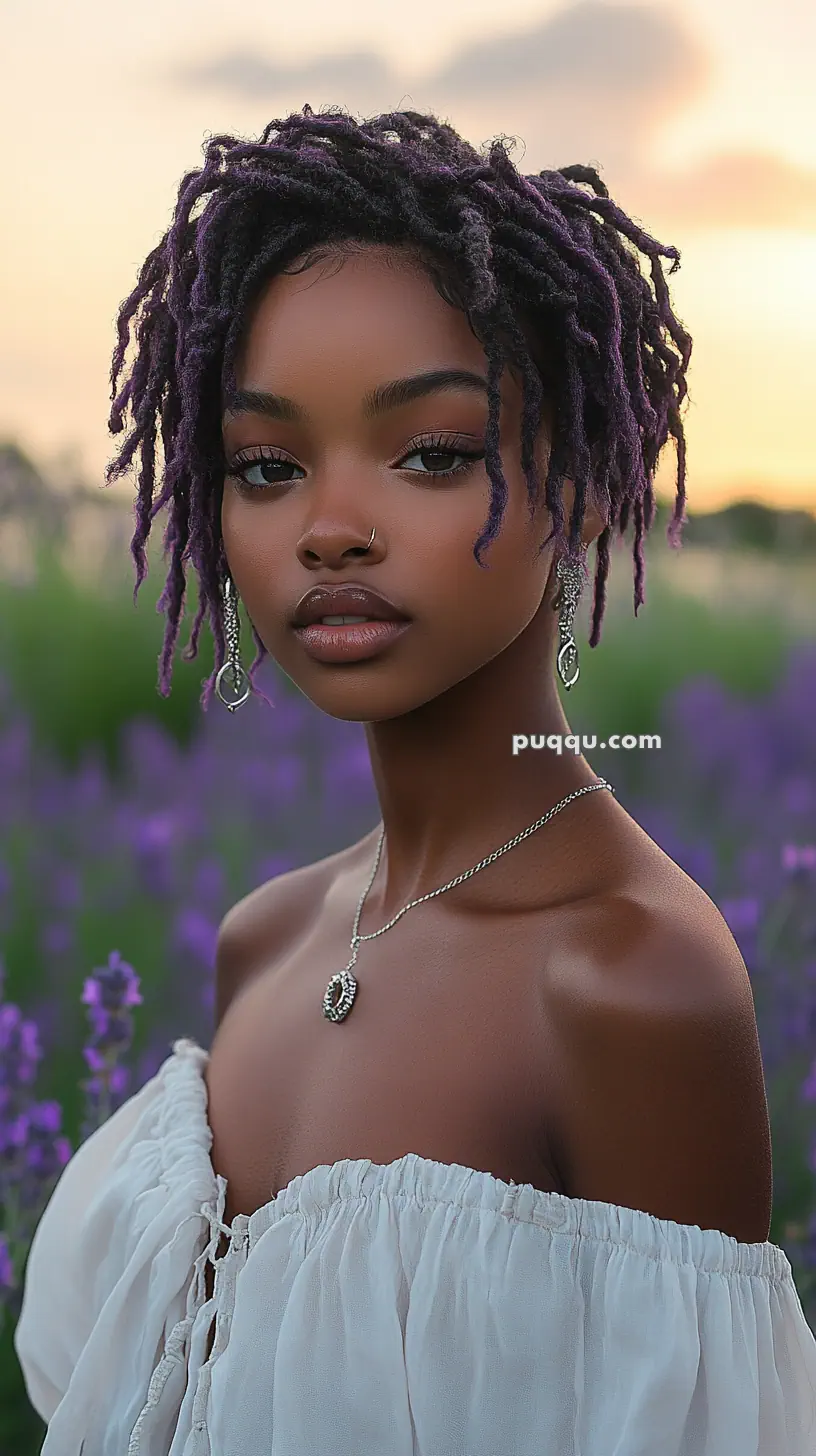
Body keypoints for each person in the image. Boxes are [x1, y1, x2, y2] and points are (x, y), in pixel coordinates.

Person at [13, 104, 816, 1453]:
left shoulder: (631, 984)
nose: (330, 528)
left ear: (587, 481)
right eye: (266, 465)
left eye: (432, 452)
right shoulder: (263, 939)